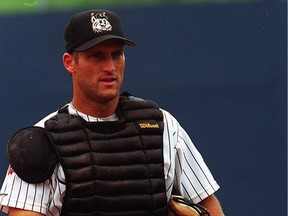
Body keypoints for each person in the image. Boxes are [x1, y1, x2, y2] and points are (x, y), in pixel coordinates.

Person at [0, 9, 224, 216]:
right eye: (96, 56)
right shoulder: (39, 143)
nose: (110, 67)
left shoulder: (164, 127)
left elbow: (209, 207)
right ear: (70, 63)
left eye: (116, 54)